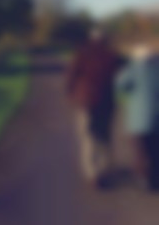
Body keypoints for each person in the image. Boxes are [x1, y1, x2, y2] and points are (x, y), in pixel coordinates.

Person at [66, 27, 121, 189]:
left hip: (86, 102)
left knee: (88, 137)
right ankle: (104, 170)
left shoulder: (82, 54)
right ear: (105, 40)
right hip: (106, 102)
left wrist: (70, 93)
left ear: (91, 39)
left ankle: (92, 173)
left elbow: (71, 75)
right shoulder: (112, 56)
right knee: (105, 136)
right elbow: (122, 73)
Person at [115, 44, 159, 191]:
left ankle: (144, 179)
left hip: (137, 121)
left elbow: (120, 85)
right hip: (156, 119)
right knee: (154, 151)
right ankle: (154, 179)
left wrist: (125, 101)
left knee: (140, 152)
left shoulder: (132, 70)